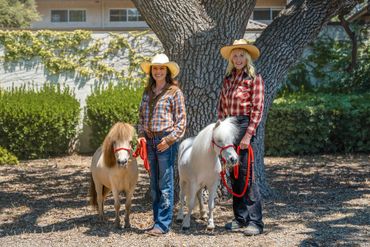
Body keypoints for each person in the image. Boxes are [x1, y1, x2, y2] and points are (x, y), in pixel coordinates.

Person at [218, 39, 265, 236]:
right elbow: (221, 106)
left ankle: (255, 222)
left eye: (241, 55)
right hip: (228, 126)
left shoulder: (254, 79)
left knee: (247, 175)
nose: (238, 59)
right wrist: (221, 131)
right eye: (235, 55)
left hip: (245, 125)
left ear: (247, 58)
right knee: (234, 173)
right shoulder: (228, 79)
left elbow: (258, 108)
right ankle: (240, 218)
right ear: (231, 58)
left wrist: (248, 135)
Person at [138, 53, 186, 236]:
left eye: (161, 68)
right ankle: (157, 220)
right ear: (151, 71)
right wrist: (141, 135)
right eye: (155, 68)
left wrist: (169, 140)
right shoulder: (147, 91)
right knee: (154, 184)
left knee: (165, 182)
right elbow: (141, 116)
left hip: (165, 140)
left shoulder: (174, 92)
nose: (158, 71)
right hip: (150, 141)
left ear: (167, 71)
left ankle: (164, 224)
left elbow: (181, 121)